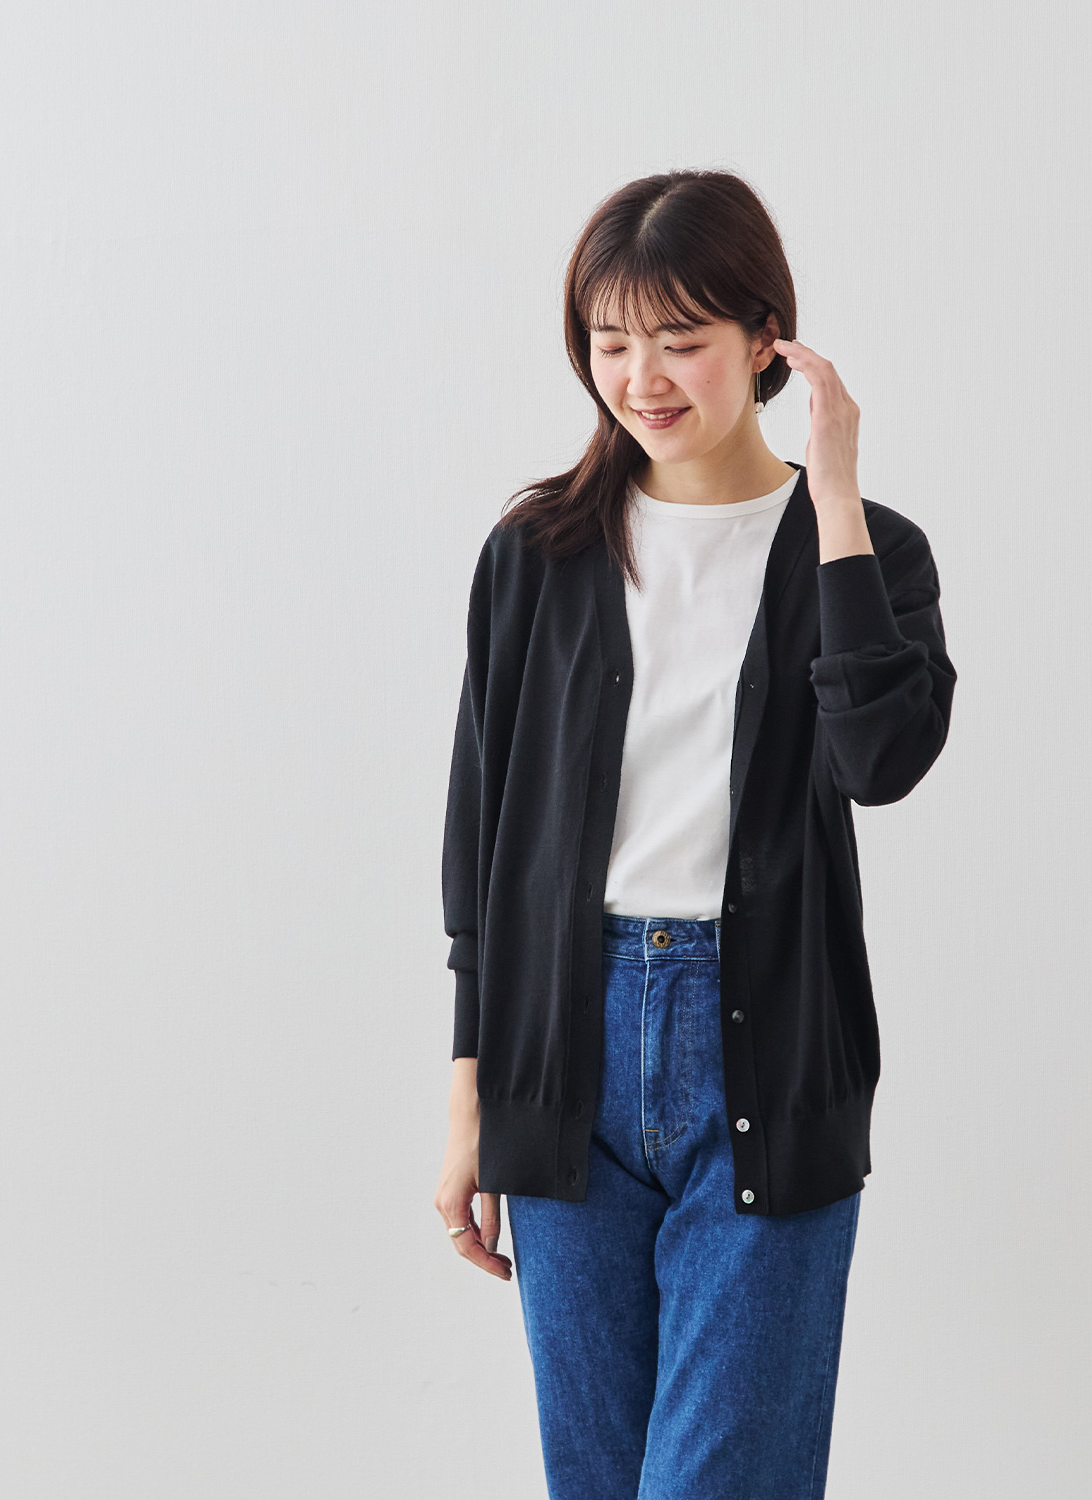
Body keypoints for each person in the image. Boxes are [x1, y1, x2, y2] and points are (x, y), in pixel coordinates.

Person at [434, 168, 956, 1500]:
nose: (642, 378)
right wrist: (471, 1096)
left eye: (679, 339)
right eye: (611, 342)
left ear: (767, 337)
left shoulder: (870, 553)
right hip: (563, 1054)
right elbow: (480, 841)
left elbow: (881, 762)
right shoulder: (538, 555)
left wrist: (836, 500)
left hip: (770, 1050)